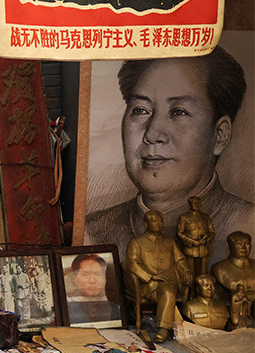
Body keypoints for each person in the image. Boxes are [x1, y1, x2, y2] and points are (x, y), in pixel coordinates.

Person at [84, 46, 253, 265]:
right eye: (141, 110)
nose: (152, 134)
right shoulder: (92, 233)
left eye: (179, 112)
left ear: (220, 135)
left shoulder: (247, 223)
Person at [124, 210, 192, 342]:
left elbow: (180, 260)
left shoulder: (169, 241)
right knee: (168, 292)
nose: (158, 224)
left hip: (169, 281)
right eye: (154, 221)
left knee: (168, 289)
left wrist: (186, 271)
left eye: (160, 221)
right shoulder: (137, 243)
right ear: (146, 223)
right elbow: (131, 264)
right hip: (148, 285)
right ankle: (164, 329)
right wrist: (150, 276)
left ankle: (164, 328)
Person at [65, 254, 121, 325]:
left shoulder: (114, 309)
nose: (92, 280)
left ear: (104, 279)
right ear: (74, 278)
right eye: (86, 274)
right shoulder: (67, 309)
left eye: (97, 274)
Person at [211, 231, 254, 305]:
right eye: (239, 244)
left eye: (247, 244)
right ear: (230, 246)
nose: (244, 247)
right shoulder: (219, 269)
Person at [177, 196, 216, 277]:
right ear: (190, 204)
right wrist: (192, 242)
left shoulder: (205, 217)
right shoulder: (184, 217)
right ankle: (191, 290)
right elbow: (180, 233)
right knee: (191, 274)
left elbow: (212, 232)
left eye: (198, 203)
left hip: (203, 250)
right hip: (190, 250)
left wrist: (206, 240)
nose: (197, 205)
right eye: (194, 203)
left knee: (203, 273)